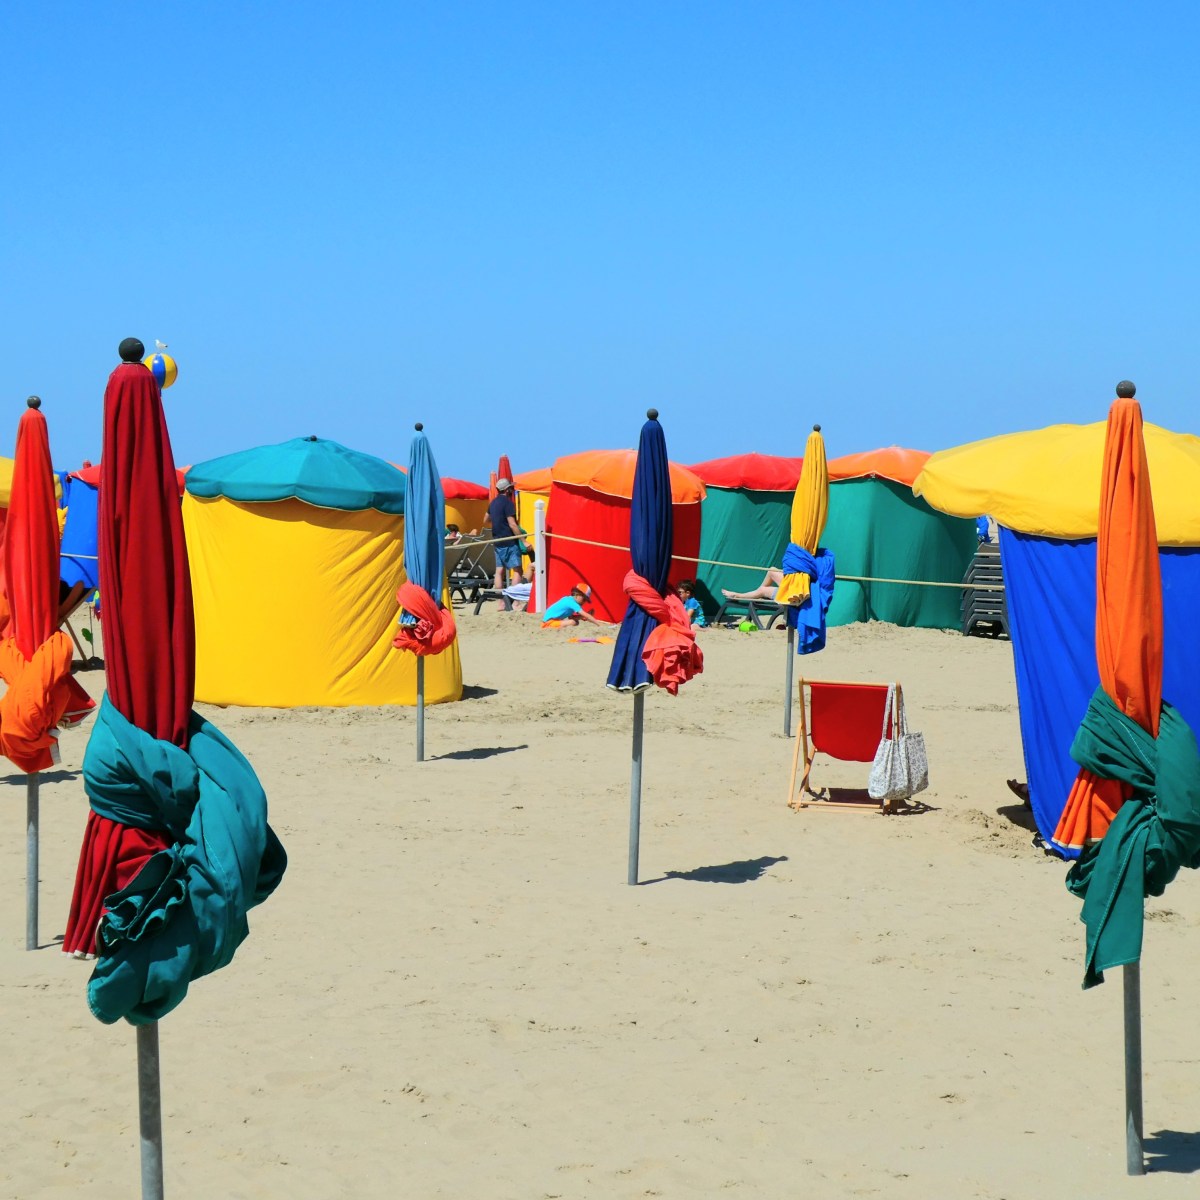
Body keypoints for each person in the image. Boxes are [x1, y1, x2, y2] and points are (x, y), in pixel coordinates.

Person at [486, 477, 525, 605]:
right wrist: (523, 541)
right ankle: (514, 602)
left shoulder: (493, 503)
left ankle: (501, 603)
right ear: (507, 490)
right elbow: (513, 524)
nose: (513, 490)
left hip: (497, 541)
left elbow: (485, 520)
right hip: (509, 540)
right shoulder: (508, 503)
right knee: (518, 570)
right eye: (511, 488)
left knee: (499, 571)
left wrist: (497, 520)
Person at [542, 584, 608, 627]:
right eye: (584, 599)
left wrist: (582, 617)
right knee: (573, 622)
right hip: (548, 623)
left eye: (585, 600)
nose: (584, 602)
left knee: (575, 622)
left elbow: (571, 617)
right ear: (577, 594)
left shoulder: (569, 600)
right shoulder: (572, 603)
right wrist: (599, 624)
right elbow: (586, 615)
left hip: (550, 622)